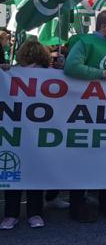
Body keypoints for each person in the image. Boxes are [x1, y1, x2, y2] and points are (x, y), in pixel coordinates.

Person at [64, 10, 106, 222]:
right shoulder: (84, 42)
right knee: (83, 157)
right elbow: (71, 67)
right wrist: (100, 74)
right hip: (86, 111)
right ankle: (77, 204)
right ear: (105, 27)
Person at [0, 40, 50, 230]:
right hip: (38, 133)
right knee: (35, 173)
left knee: (13, 174)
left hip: (18, 133)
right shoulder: (13, 74)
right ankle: (35, 214)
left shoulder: (13, 72)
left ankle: (10, 215)